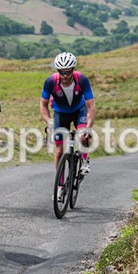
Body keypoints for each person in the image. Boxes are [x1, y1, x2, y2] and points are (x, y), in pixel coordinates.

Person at [40, 52, 96, 197]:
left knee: (84, 135)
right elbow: (43, 104)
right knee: (59, 151)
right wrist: (49, 122)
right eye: (61, 72)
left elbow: (91, 106)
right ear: (57, 71)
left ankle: (84, 160)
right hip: (60, 113)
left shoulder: (82, 79)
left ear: (73, 69)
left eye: (68, 72)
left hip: (79, 110)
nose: (65, 76)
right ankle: (61, 185)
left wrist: (88, 127)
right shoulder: (51, 82)